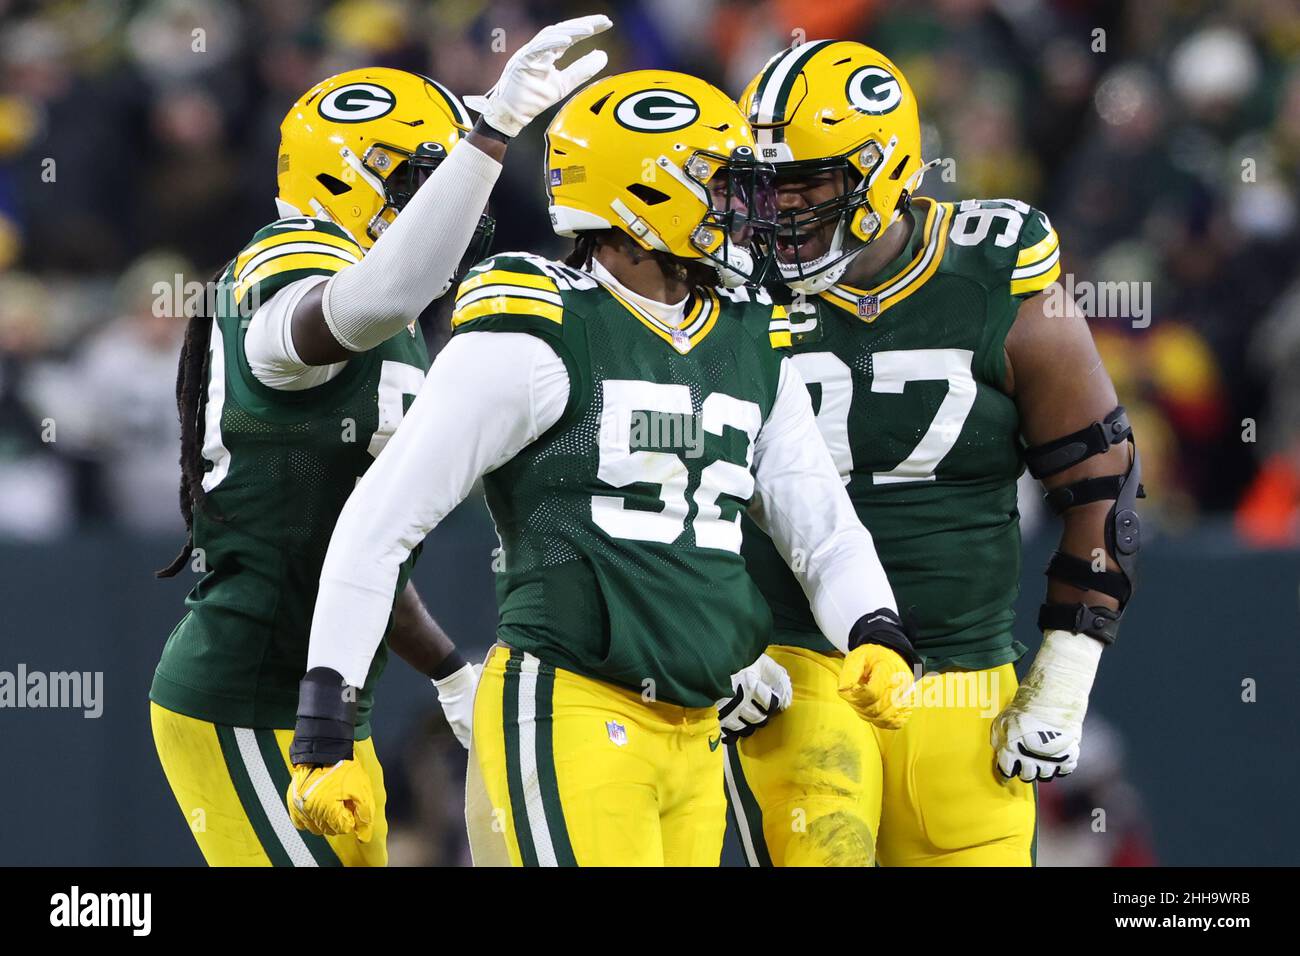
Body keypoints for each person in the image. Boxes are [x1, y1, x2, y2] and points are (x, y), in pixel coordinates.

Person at [286, 69, 921, 867]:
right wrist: (326, 720)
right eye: (722, 186)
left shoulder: (748, 336)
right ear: (644, 198)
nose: (750, 212)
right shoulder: (538, 329)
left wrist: (875, 628)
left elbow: (820, 524)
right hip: (572, 710)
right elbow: (380, 524)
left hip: (697, 730)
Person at [148, 15, 613, 867]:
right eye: (420, 179)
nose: (447, 205)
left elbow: (358, 543)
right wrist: (491, 135)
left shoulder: (387, 320)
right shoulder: (289, 264)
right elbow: (371, 300)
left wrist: (447, 672)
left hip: (331, 700)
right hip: (247, 694)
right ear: (349, 174)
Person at [727, 40, 1142, 866]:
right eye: (763, 185)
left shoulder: (992, 268)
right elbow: (670, 481)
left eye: (805, 181)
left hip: (966, 675)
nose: (777, 211)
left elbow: (1103, 477)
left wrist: (1067, 667)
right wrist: (710, 639)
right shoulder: (725, 282)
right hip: (794, 663)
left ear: (882, 173)